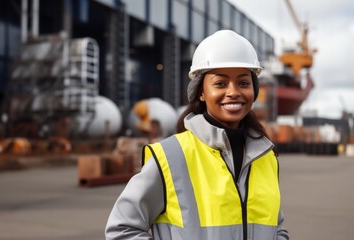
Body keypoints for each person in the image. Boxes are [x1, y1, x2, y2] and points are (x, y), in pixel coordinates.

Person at [105, 29, 289, 240]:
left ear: (253, 91)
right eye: (220, 83)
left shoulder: (266, 157)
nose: (233, 92)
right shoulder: (171, 157)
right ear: (201, 92)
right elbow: (122, 229)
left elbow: (277, 228)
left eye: (243, 83)